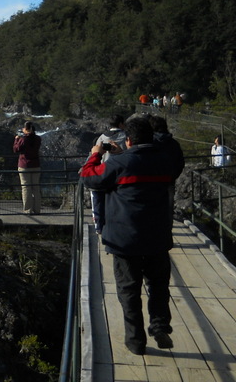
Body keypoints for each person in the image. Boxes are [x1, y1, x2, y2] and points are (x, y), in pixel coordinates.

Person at [81, 117, 176, 355]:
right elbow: (143, 164)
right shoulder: (165, 161)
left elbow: (89, 177)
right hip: (157, 236)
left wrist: (95, 153)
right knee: (158, 285)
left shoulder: (120, 163)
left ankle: (135, 341)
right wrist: (124, 152)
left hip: (125, 238)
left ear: (129, 139)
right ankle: (160, 324)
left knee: (128, 290)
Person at [89, 115, 127, 234]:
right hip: (121, 174)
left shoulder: (101, 137)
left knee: (100, 202)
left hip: (103, 172)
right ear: (121, 124)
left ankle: (99, 227)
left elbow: (95, 153)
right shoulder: (125, 137)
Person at [13, 121, 41, 214]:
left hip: (24, 165)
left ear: (26, 129)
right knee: (35, 188)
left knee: (26, 188)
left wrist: (16, 139)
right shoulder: (38, 139)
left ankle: (28, 209)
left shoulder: (23, 139)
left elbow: (16, 149)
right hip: (36, 165)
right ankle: (37, 209)